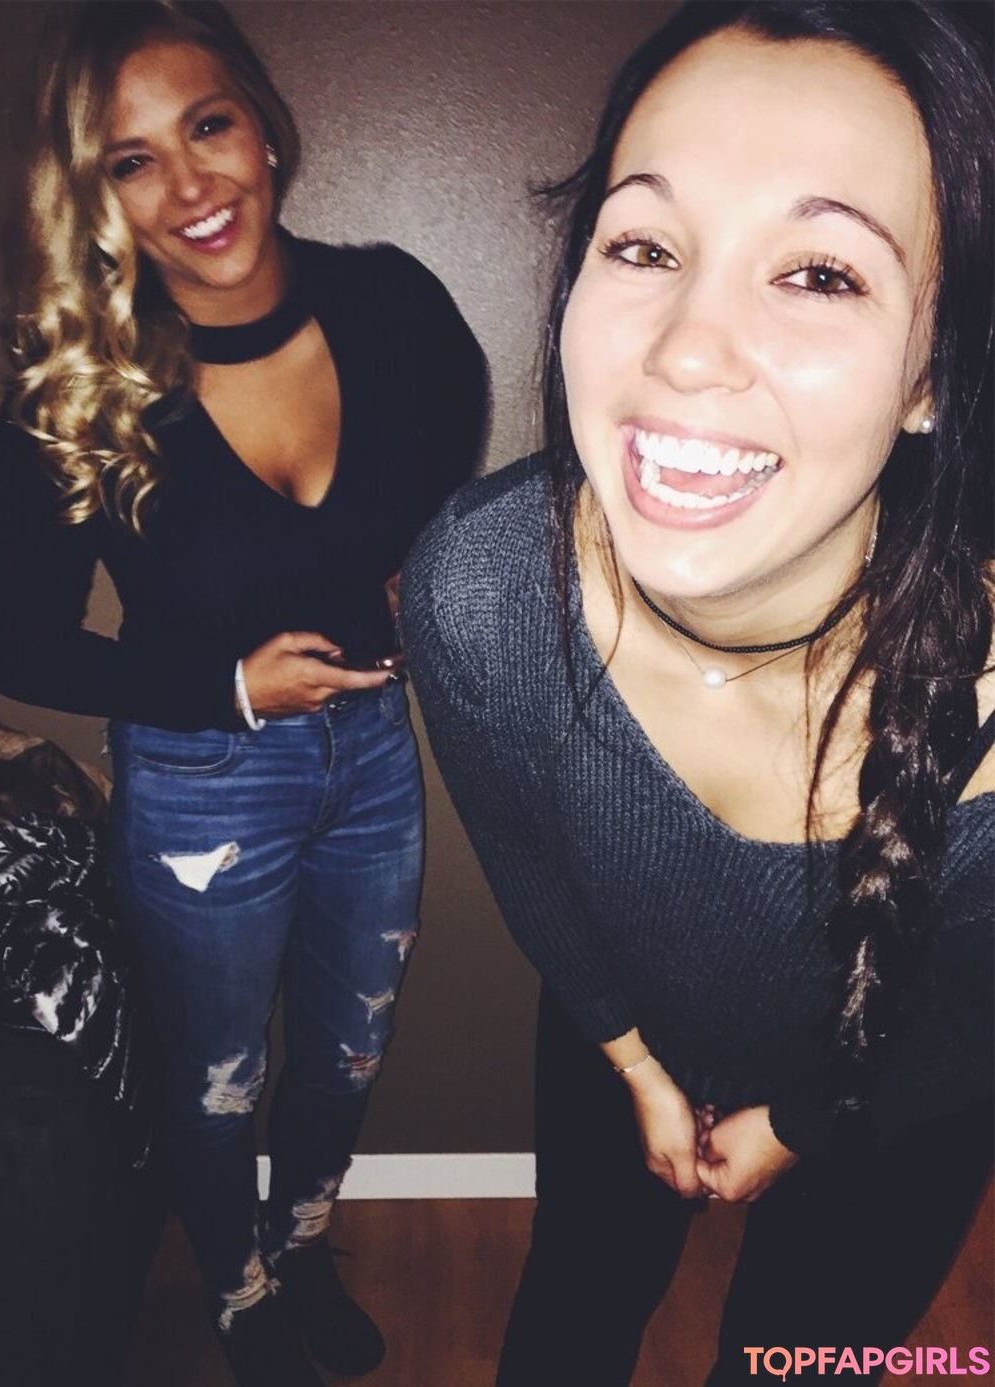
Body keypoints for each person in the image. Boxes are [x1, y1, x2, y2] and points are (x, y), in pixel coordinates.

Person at [402, 2, 993, 1382]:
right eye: (646, 247)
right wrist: (630, 1061)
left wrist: (801, 1123)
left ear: (932, 376)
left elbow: (975, 1016)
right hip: (619, 1032)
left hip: (900, 1105)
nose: (686, 347)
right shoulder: (481, 592)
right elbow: (529, 866)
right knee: (568, 1314)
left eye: (822, 274)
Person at [0, 4, 486, 1384]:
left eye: (207, 126)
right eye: (132, 161)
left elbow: (457, 448)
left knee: (347, 1053)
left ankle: (300, 1246)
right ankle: (240, 1293)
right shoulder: (79, 384)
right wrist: (226, 684)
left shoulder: (391, 303)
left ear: (262, 124)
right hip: (201, 779)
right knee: (217, 1076)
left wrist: (421, 565)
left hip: (374, 752)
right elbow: (14, 643)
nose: (190, 186)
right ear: (96, 195)